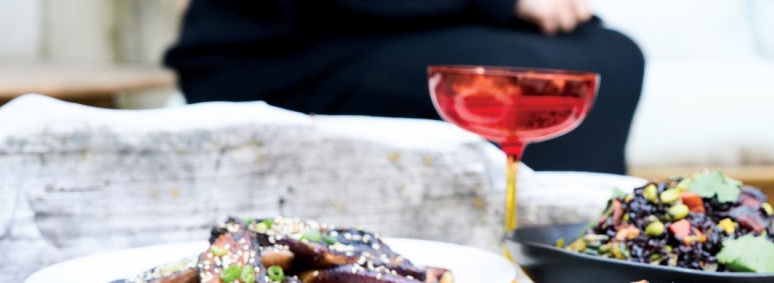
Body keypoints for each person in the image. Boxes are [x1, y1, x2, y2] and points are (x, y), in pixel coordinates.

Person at [164, 0, 644, 175]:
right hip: (282, 49)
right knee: (528, 78)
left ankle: (586, 255)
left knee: (611, 54)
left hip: (402, 24)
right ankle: (521, 259)